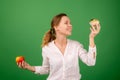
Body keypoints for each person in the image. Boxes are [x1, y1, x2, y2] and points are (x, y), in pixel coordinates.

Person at [17, 13, 101, 80]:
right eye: (66, 23)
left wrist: (91, 37)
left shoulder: (76, 46)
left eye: (70, 23)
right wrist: (29, 67)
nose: (70, 25)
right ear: (56, 27)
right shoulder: (47, 48)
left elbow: (91, 62)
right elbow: (46, 69)